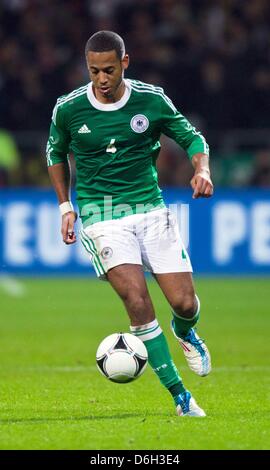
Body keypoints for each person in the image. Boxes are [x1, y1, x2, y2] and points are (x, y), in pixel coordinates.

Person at [46, 31, 214, 417]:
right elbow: (54, 151)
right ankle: (181, 397)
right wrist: (64, 206)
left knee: (185, 304)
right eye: (93, 71)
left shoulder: (150, 100)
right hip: (101, 214)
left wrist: (202, 169)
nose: (101, 79)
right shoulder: (69, 108)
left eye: (108, 70)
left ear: (125, 62)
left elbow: (192, 138)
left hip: (150, 208)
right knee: (137, 301)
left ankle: (185, 331)